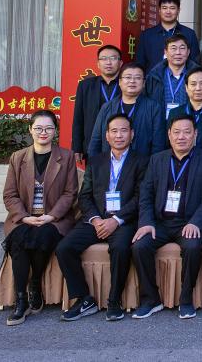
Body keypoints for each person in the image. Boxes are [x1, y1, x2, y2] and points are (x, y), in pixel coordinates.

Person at [56, 113, 148, 322]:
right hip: (96, 219)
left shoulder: (142, 161)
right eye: (114, 131)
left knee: (121, 248)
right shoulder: (96, 161)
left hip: (124, 221)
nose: (119, 135)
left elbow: (140, 197)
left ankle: (114, 301)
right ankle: (83, 299)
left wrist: (116, 220)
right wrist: (96, 220)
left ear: (132, 134)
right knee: (64, 248)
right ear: (106, 136)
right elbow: (85, 196)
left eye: (123, 131)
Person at [131, 115, 202, 320]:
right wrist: (146, 223)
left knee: (192, 246)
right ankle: (150, 299)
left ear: (195, 134)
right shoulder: (157, 159)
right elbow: (146, 194)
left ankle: (186, 298)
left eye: (187, 132)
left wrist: (196, 222)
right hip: (160, 223)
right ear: (169, 135)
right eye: (176, 132)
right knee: (139, 246)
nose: (181, 137)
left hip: (189, 222)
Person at [2, 111, 78, 326]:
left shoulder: (66, 157)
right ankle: (21, 300)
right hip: (24, 217)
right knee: (19, 241)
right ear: (30, 130)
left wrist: (51, 216)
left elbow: (70, 193)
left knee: (43, 236)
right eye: (38, 128)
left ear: (55, 131)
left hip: (54, 218)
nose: (43, 132)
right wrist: (24, 217)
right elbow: (10, 194)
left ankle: (35, 284)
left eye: (49, 128)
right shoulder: (18, 158)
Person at [88, 63, 166, 158]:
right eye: (128, 77)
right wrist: (93, 165)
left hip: (142, 164)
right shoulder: (107, 107)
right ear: (120, 82)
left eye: (137, 78)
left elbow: (158, 144)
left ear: (144, 83)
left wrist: (152, 166)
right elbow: (96, 140)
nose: (132, 81)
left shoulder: (154, 108)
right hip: (110, 163)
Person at [72, 45, 122, 163]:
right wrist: (77, 147)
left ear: (120, 63)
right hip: (93, 144)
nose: (108, 62)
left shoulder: (127, 84)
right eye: (104, 58)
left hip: (121, 142)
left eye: (113, 58)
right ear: (98, 64)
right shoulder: (86, 86)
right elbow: (78, 117)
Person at [137, 0, 201, 72]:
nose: (168, 12)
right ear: (159, 10)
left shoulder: (189, 34)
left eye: (172, 8)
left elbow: (195, 63)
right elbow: (140, 63)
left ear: (178, 10)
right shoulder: (147, 35)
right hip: (153, 78)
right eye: (164, 8)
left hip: (182, 78)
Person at [144, 34, 198, 117]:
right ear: (165, 52)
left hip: (189, 123)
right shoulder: (154, 76)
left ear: (188, 52)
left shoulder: (197, 75)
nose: (178, 52)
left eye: (182, 48)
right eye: (173, 48)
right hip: (160, 123)